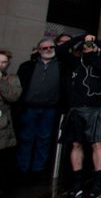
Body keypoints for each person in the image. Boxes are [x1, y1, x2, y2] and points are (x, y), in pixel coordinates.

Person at [58, 34, 101, 198]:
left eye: (90, 44)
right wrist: (82, 37)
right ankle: (77, 182)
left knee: (97, 144)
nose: (86, 46)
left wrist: (93, 52)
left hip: (95, 107)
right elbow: (60, 50)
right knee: (76, 144)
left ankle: (98, 180)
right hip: (76, 107)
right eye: (85, 45)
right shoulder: (74, 61)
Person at [15, 39, 64, 180]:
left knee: (45, 139)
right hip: (29, 108)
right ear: (38, 50)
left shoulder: (61, 66)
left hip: (50, 109)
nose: (48, 50)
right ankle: (22, 168)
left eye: (51, 47)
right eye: (44, 48)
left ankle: (39, 169)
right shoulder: (27, 66)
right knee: (26, 138)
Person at [0, 50, 22, 196]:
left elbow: (13, 97)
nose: (0, 64)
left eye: (3, 62)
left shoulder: (12, 79)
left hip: (3, 127)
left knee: (3, 162)